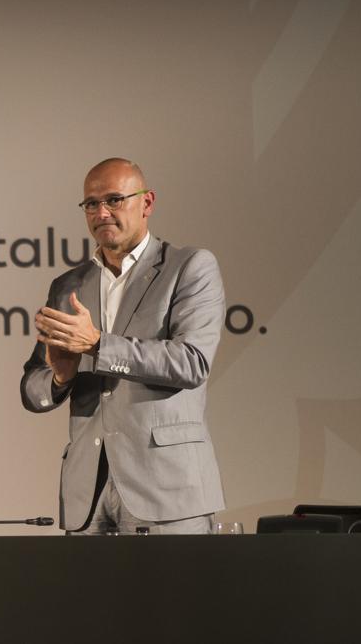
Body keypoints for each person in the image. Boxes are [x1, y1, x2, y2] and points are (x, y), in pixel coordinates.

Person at [21, 158, 225, 534]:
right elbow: (33, 388)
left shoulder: (189, 267)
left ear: (146, 203)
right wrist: (60, 379)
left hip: (166, 488)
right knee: (87, 596)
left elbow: (191, 362)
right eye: (91, 204)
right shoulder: (68, 285)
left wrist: (98, 345)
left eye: (115, 200)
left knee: (172, 596)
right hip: (88, 489)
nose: (102, 212)